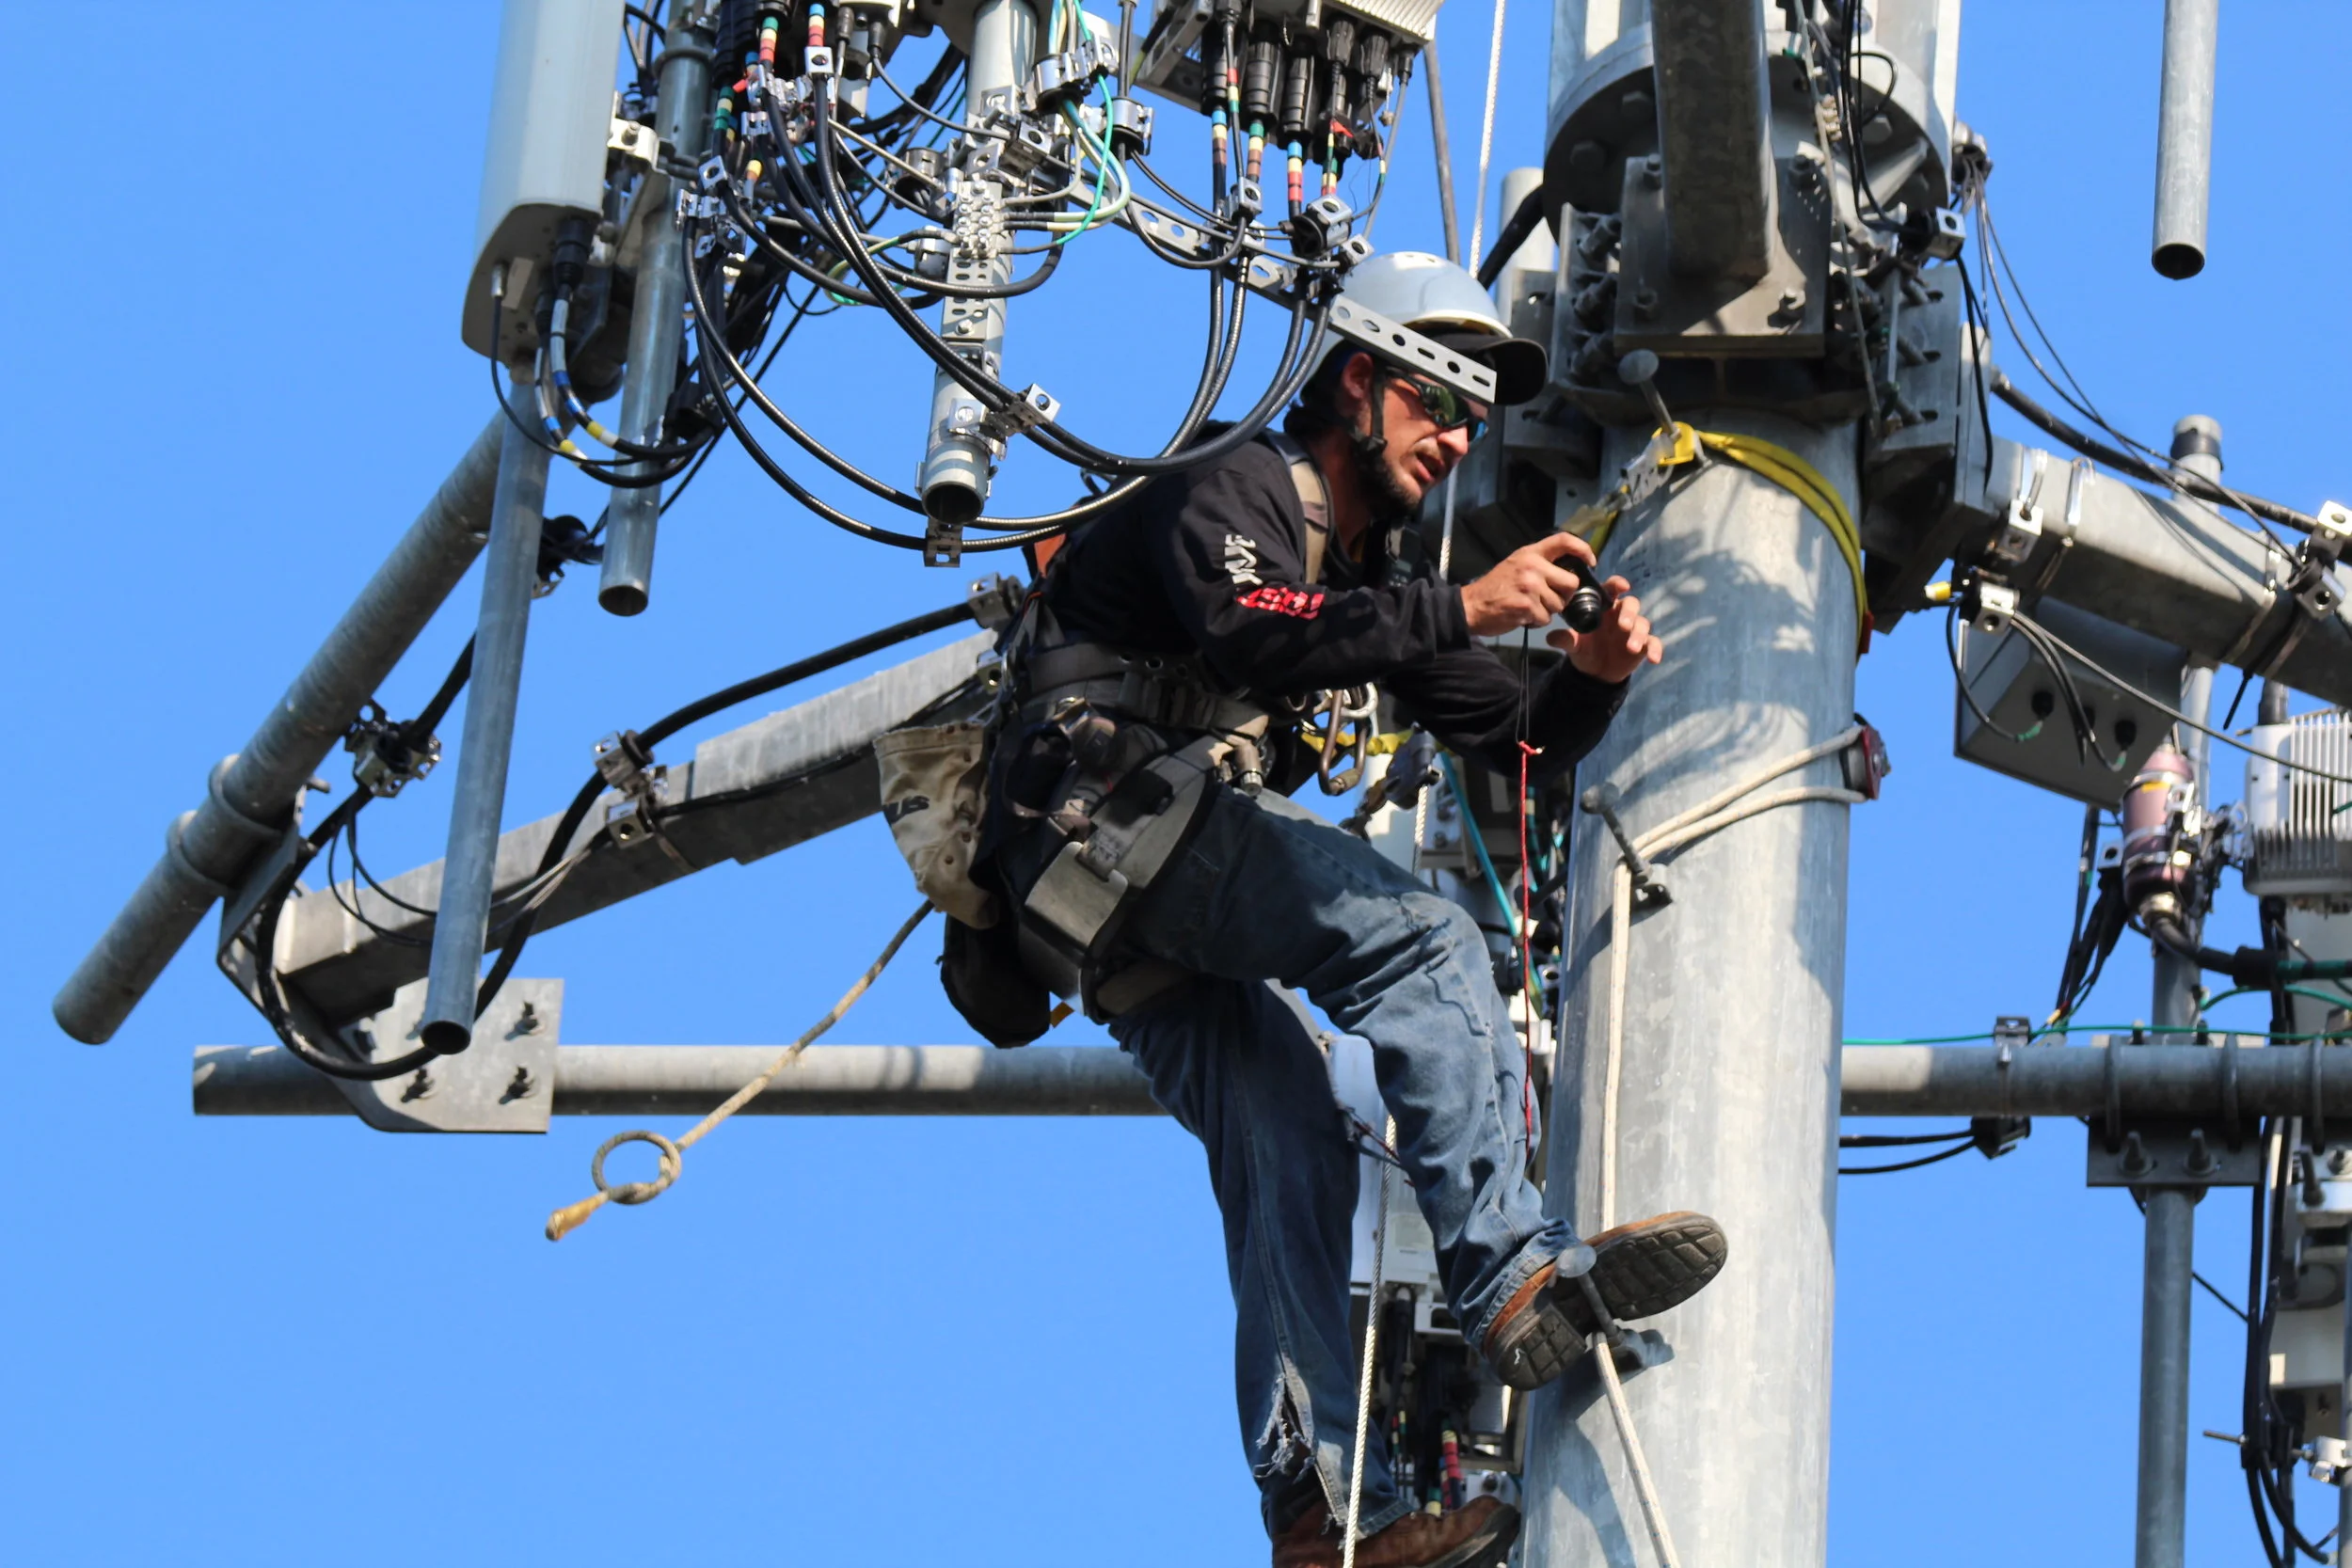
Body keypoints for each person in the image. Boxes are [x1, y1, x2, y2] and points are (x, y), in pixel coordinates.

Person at [982, 253, 1727, 1568]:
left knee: (1287, 1130)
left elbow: (1506, 735)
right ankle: (1508, 1271)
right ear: (1360, 379)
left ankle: (1329, 1513)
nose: (1459, 440)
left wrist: (1589, 680)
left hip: (1103, 891)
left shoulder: (1380, 565)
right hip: (1106, 816)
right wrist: (1467, 603)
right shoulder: (1233, 483)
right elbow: (1251, 627)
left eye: (1472, 421)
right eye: (1441, 405)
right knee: (1423, 940)